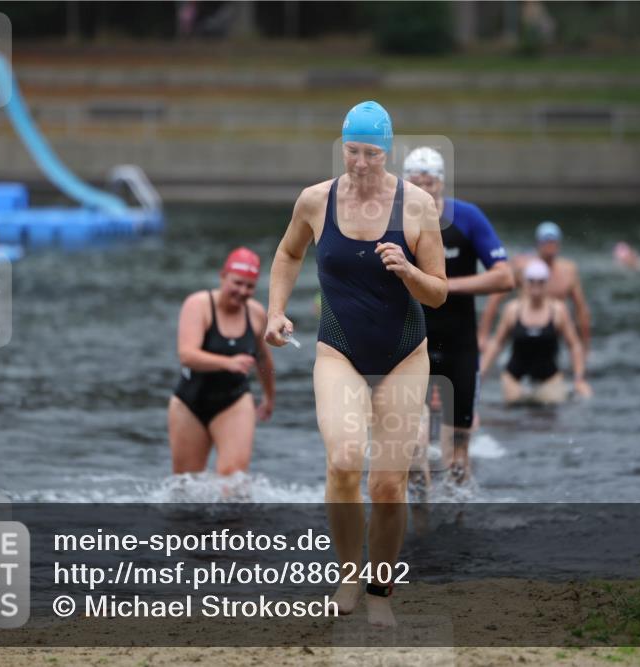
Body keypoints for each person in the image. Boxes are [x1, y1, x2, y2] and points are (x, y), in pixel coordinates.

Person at [265, 101, 446, 627]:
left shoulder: (416, 207)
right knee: (344, 459)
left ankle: (381, 588)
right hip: (337, 348)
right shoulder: (314, 200)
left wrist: (408, 271)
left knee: (387, 484)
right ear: (340, 145)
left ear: (386, 152)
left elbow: (437, 294)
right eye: (352, 151)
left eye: (370, 153)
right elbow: (287, 254)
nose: (360, 162)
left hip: (404, 353)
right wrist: (275, 311)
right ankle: (348, 573)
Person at [403, 146, 514, 486]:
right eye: (416, 181)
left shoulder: (466, 217)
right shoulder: (394, 223)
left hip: (459, 345)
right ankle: (417, 526)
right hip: (411, 345)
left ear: (442, 183)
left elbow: (505, 277)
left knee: (457, 459)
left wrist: (443, 285)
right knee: (413, 449)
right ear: (405, 184)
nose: (424, 187)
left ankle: (458, 522)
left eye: (431, 181)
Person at [168, 247, 275, 476]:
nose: (242, 291)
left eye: (249, 286)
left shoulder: (255, 313)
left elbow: (264, 359)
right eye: (237, 283)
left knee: (233, 479)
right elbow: (186, 355)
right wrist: (228, 363)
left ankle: (232, 514)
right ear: (223, 276)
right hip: (189, 403)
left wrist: (269, 396)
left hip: (234, 401)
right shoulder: (198, 305)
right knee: (187, 483)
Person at [481, 260, 592, 405]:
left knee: (551, 414)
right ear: (525, 283)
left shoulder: (558, 311)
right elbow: (496, 344)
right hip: (515, 379)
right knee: (513, 413)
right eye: (532, 282)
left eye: (540, 282)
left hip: (549, 378)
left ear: (547, 283)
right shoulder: (513, 310)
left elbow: (574, 345)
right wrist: (480, 374)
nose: (536, 287)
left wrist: (579, 379)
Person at [479, 221, 591, 353]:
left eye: (553, 241)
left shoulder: (568, 271)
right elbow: (495, 299)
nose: (550, 245)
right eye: (546, 241)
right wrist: (483, 336)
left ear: (559, 244)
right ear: (538, 244)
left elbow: (581, 310)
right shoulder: (522, 266)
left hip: (553, 332)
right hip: (525, 329)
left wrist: (586, 346)